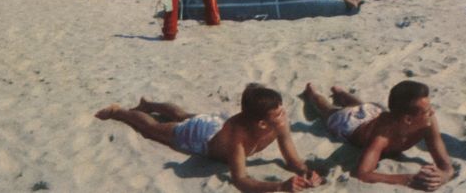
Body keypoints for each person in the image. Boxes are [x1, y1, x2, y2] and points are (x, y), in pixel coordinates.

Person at [96, 84, 322, 192]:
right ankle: (119, 112)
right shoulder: (238, 142)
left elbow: (292, 158)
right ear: (262, 123)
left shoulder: (278, 124)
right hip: (200, 137)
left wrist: (305, 171)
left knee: (183, 114)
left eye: (281, 109)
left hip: (218, 125)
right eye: (279, 113)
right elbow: (240, 180)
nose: (284, 115)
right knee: (154, 128)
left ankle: (149, 104)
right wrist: (280, 187)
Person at [302, 81, 453, 190]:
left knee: (363, 106)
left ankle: (340, 93)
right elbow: (362, 173)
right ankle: (312, 94)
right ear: (408, 119)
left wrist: (444, 175)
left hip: (376, 112)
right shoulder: (383, 135)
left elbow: (445, 164)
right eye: (427, 111)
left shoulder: (427, 121)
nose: (432, 112)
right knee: (328, 111)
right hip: (350, 123)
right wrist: (408, 179)